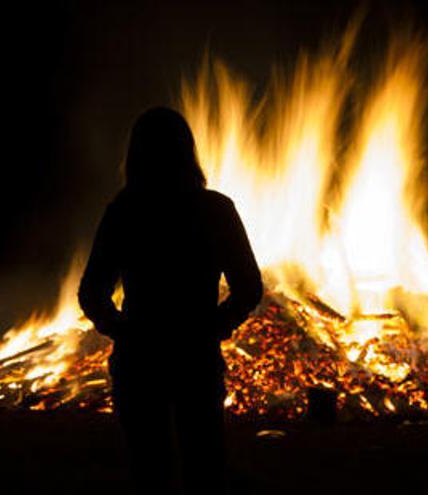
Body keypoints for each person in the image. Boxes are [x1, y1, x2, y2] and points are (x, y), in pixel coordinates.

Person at [78, 106, 263, 494]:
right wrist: (214, 326)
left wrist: (123, 331)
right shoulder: (216, 210)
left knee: (149, 470)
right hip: (196, 357)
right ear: (188, 151)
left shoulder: (125, 212)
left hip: (139, 360)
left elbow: (92, 292)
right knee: (204, 466)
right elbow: (248, 287)